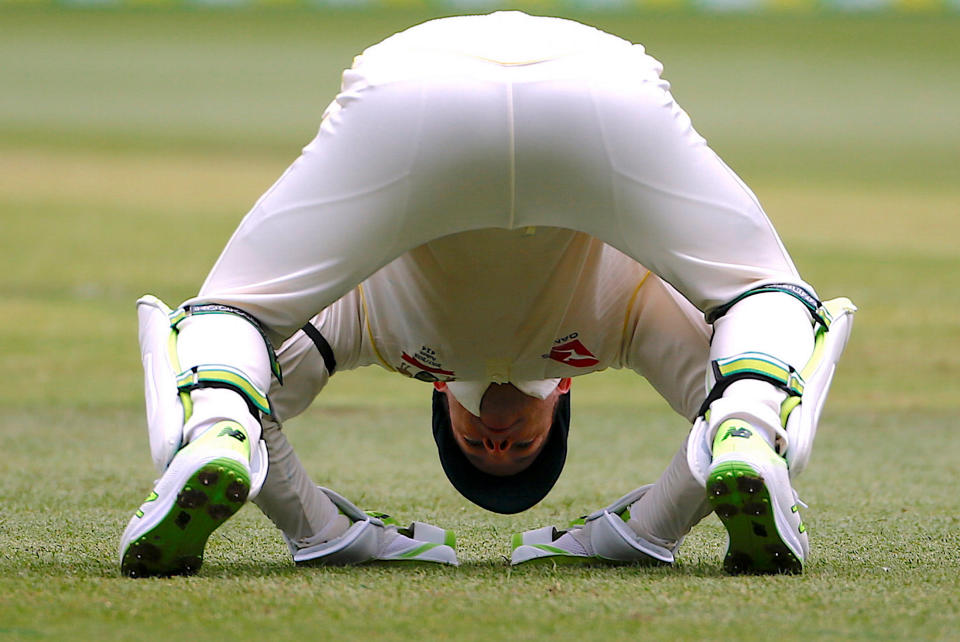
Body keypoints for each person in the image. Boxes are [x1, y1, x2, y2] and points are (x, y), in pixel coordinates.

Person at [119, 11, 855, 578]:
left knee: (229, 319)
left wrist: (324, 532)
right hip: (595, 88)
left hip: (416, 87)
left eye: (481, 447)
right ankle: (755, 433)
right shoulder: (621, 327)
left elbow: (267, 401)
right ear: (562, 393)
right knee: (764, 308)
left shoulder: (375, 328)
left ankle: (214, 428)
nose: (497, 438)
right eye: (518, 447)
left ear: (440, 397)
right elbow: (713, 396)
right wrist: (646, 528)